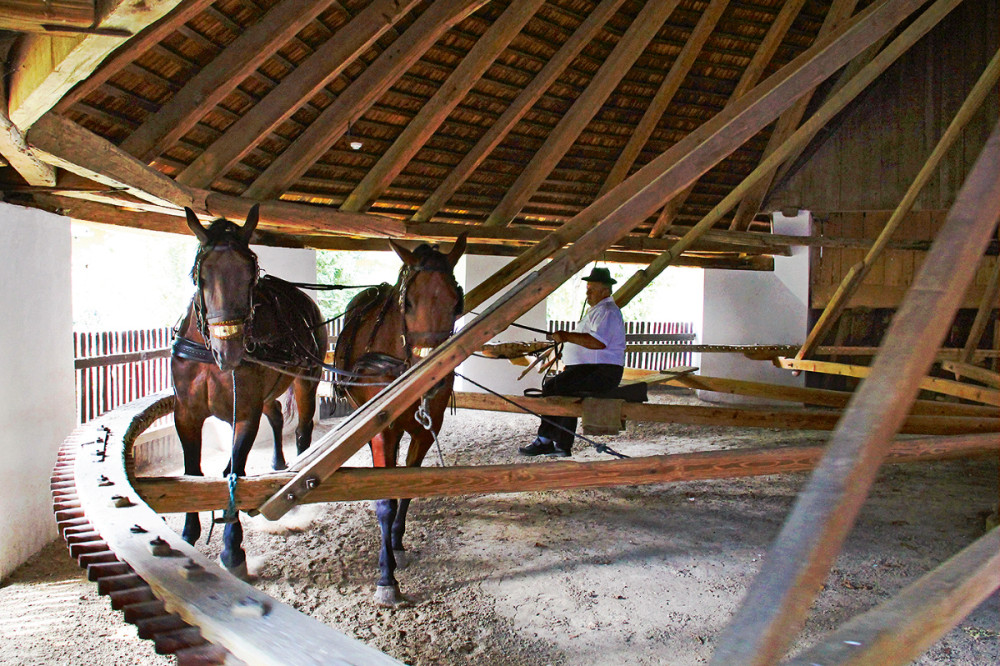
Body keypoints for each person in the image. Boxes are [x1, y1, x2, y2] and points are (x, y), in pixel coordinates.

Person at [519, 266, 626, 457]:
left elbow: (598, 343)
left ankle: (556, 443)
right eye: (588, 289)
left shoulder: (608, 311)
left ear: (605, 290)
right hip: (591, 370)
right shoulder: (598, 311)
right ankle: (551, 441)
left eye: (592, 289)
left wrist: (566, 336)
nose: (588, 293)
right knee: (554, 387)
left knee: (559, 388)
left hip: (602, 373)